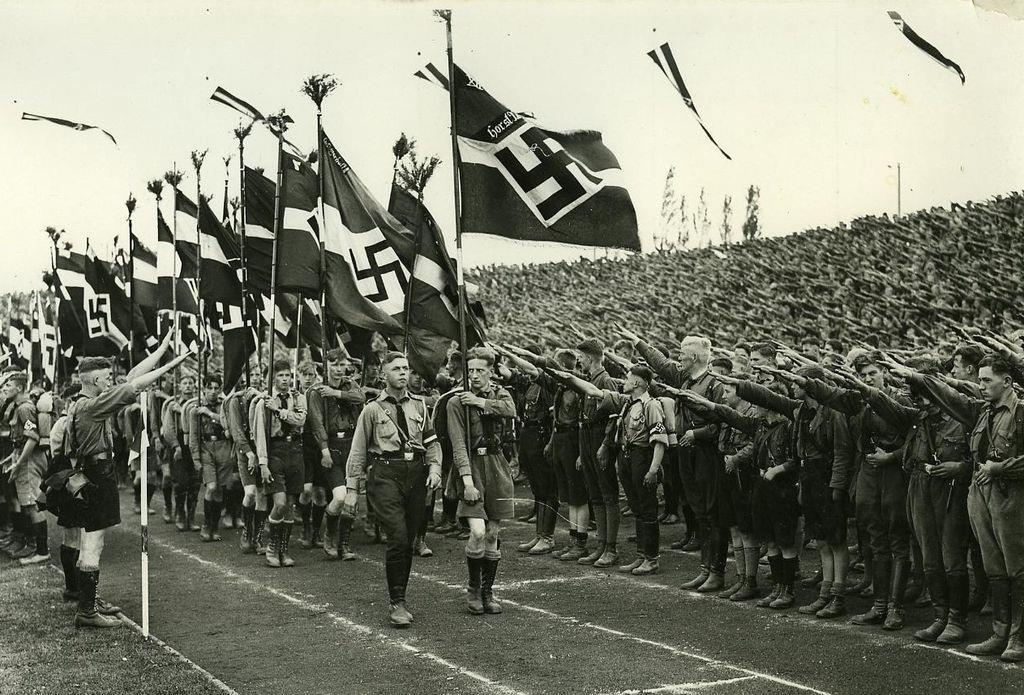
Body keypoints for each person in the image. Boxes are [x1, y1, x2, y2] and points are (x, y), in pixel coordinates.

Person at [894, 354, 1024, 661]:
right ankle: (999, 632)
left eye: (986, 380)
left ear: (1007, 381)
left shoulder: (1021, 413)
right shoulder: (982, 412)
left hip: (1012, 499)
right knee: (994, 567)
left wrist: (1001, 468)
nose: (979, 386)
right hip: (981, 497)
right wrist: (917, 378)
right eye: (978, 380)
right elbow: (949, 395)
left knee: (1017, 567)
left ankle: (1018, 637)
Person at [62, 333, 190, 627]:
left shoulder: (89, 400)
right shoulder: (93, 405)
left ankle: (89, 602)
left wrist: (162, 351)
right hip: (97, 475)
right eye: (107, 377)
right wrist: (173, 364)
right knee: (93, 543)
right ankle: (87, 610)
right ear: (95, 381)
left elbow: (132, 375)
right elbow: (135, 384)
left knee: (90, 541)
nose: (111, 381)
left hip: (92, 474)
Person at [620, 328, 727, 592]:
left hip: (706, 453)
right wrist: (639, 343)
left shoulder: (715, 384)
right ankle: (705, 569)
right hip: (687, 452)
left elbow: (722, 423)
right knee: (698, 509)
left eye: (682, 353)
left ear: (694, 356)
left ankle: (716, 571)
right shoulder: (686, 380)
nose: (678, 358)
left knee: (712, 512)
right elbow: (661, 362)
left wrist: (696, 433)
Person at [344, 351, 441, 628]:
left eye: (406, 368)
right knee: (397, 537)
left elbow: (432, 442)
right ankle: (396, 602)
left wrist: (435, 468)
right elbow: (359, 450)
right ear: (383, 374)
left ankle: (401, 596)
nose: (403, 373)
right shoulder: (372, 410)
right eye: (396, 368)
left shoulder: (420, 406)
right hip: (385, 474)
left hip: (415, 474)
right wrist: (352, 489)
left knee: (408, 539)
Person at [553, 364, 669, 575]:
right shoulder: (627, 402)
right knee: (638, 510)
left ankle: (651, 559)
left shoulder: (651, 405)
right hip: (627, 458)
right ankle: (641, 556)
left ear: (637, 382)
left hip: (643, 458)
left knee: (647, 510)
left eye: (628, 378)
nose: (624, 381)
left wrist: (653, 469)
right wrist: (568, 377)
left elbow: (660, 441)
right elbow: (593, 391)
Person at [446, 347, 517, 615]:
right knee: (477, 531)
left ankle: (488, 591)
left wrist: (481, 403)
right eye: (471, 370)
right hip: (472, 467)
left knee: (492, 534)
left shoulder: (500, 394)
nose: (474, 376)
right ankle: (474, 587)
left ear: (491, 371)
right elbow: (458, 445)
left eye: (480, 370)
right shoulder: (457, 402)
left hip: (497, 466)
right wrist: (467, 481)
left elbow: (510, 410)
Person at [308, 350, 365, 561]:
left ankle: (344, 544)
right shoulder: (316, 392)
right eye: (335, 365)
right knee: (339, 496)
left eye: (342, 365)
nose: (339, 370)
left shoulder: (349, 386)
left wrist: (337, 394)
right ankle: (330, 532)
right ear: (326, 366)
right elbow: (316, 422)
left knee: (351, 499)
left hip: (352, 443)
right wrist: (324, 450)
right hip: (331, 445)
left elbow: (361, 398)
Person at [252, 359, 307, 568]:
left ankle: (283, 550)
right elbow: (260, 435)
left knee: (291, 504)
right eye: (281, 376)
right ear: (273, 378)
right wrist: (263, 464)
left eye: (287, 375)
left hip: (295, 451)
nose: (285, 379)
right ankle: (272, 547)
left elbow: (300, 420)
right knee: (280, 502)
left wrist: (280, 411)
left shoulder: (297, 398)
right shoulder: (263, 402)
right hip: (275, 452)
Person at [575, 338, 620, 566]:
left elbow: (614, 418)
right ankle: (600, 545)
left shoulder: (606, 381)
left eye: (581, 357)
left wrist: (605, 445)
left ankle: (610, 548)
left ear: (591, 358)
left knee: (608, 495)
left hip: (600, 440)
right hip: (588, 439)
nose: (579, 361)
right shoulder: (589, 380)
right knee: (595, 495)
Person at [6, 373, 51, 565]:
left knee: (32, 505)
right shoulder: (21, 407)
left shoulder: (24, 408)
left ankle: (41, 551)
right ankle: (33, 546)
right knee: (28, 504)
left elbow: (32, 437)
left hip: (30, 461)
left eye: (9, 385)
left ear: (19, 388)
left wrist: (18, 463)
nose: (5, 388)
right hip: (26, 458)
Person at [189, 374, 233, 542]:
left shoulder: (225, 407)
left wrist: (209, 413)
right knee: (212, 487)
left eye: (216, 388)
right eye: (210, 388)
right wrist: (196, 459)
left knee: (221, 489)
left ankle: (215, 526)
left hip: (224, 448)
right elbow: (193, 436)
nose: (213, 392)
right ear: (204, 389)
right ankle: (207, 524)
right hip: (206, 449)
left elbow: (228, 424)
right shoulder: (196, 409)